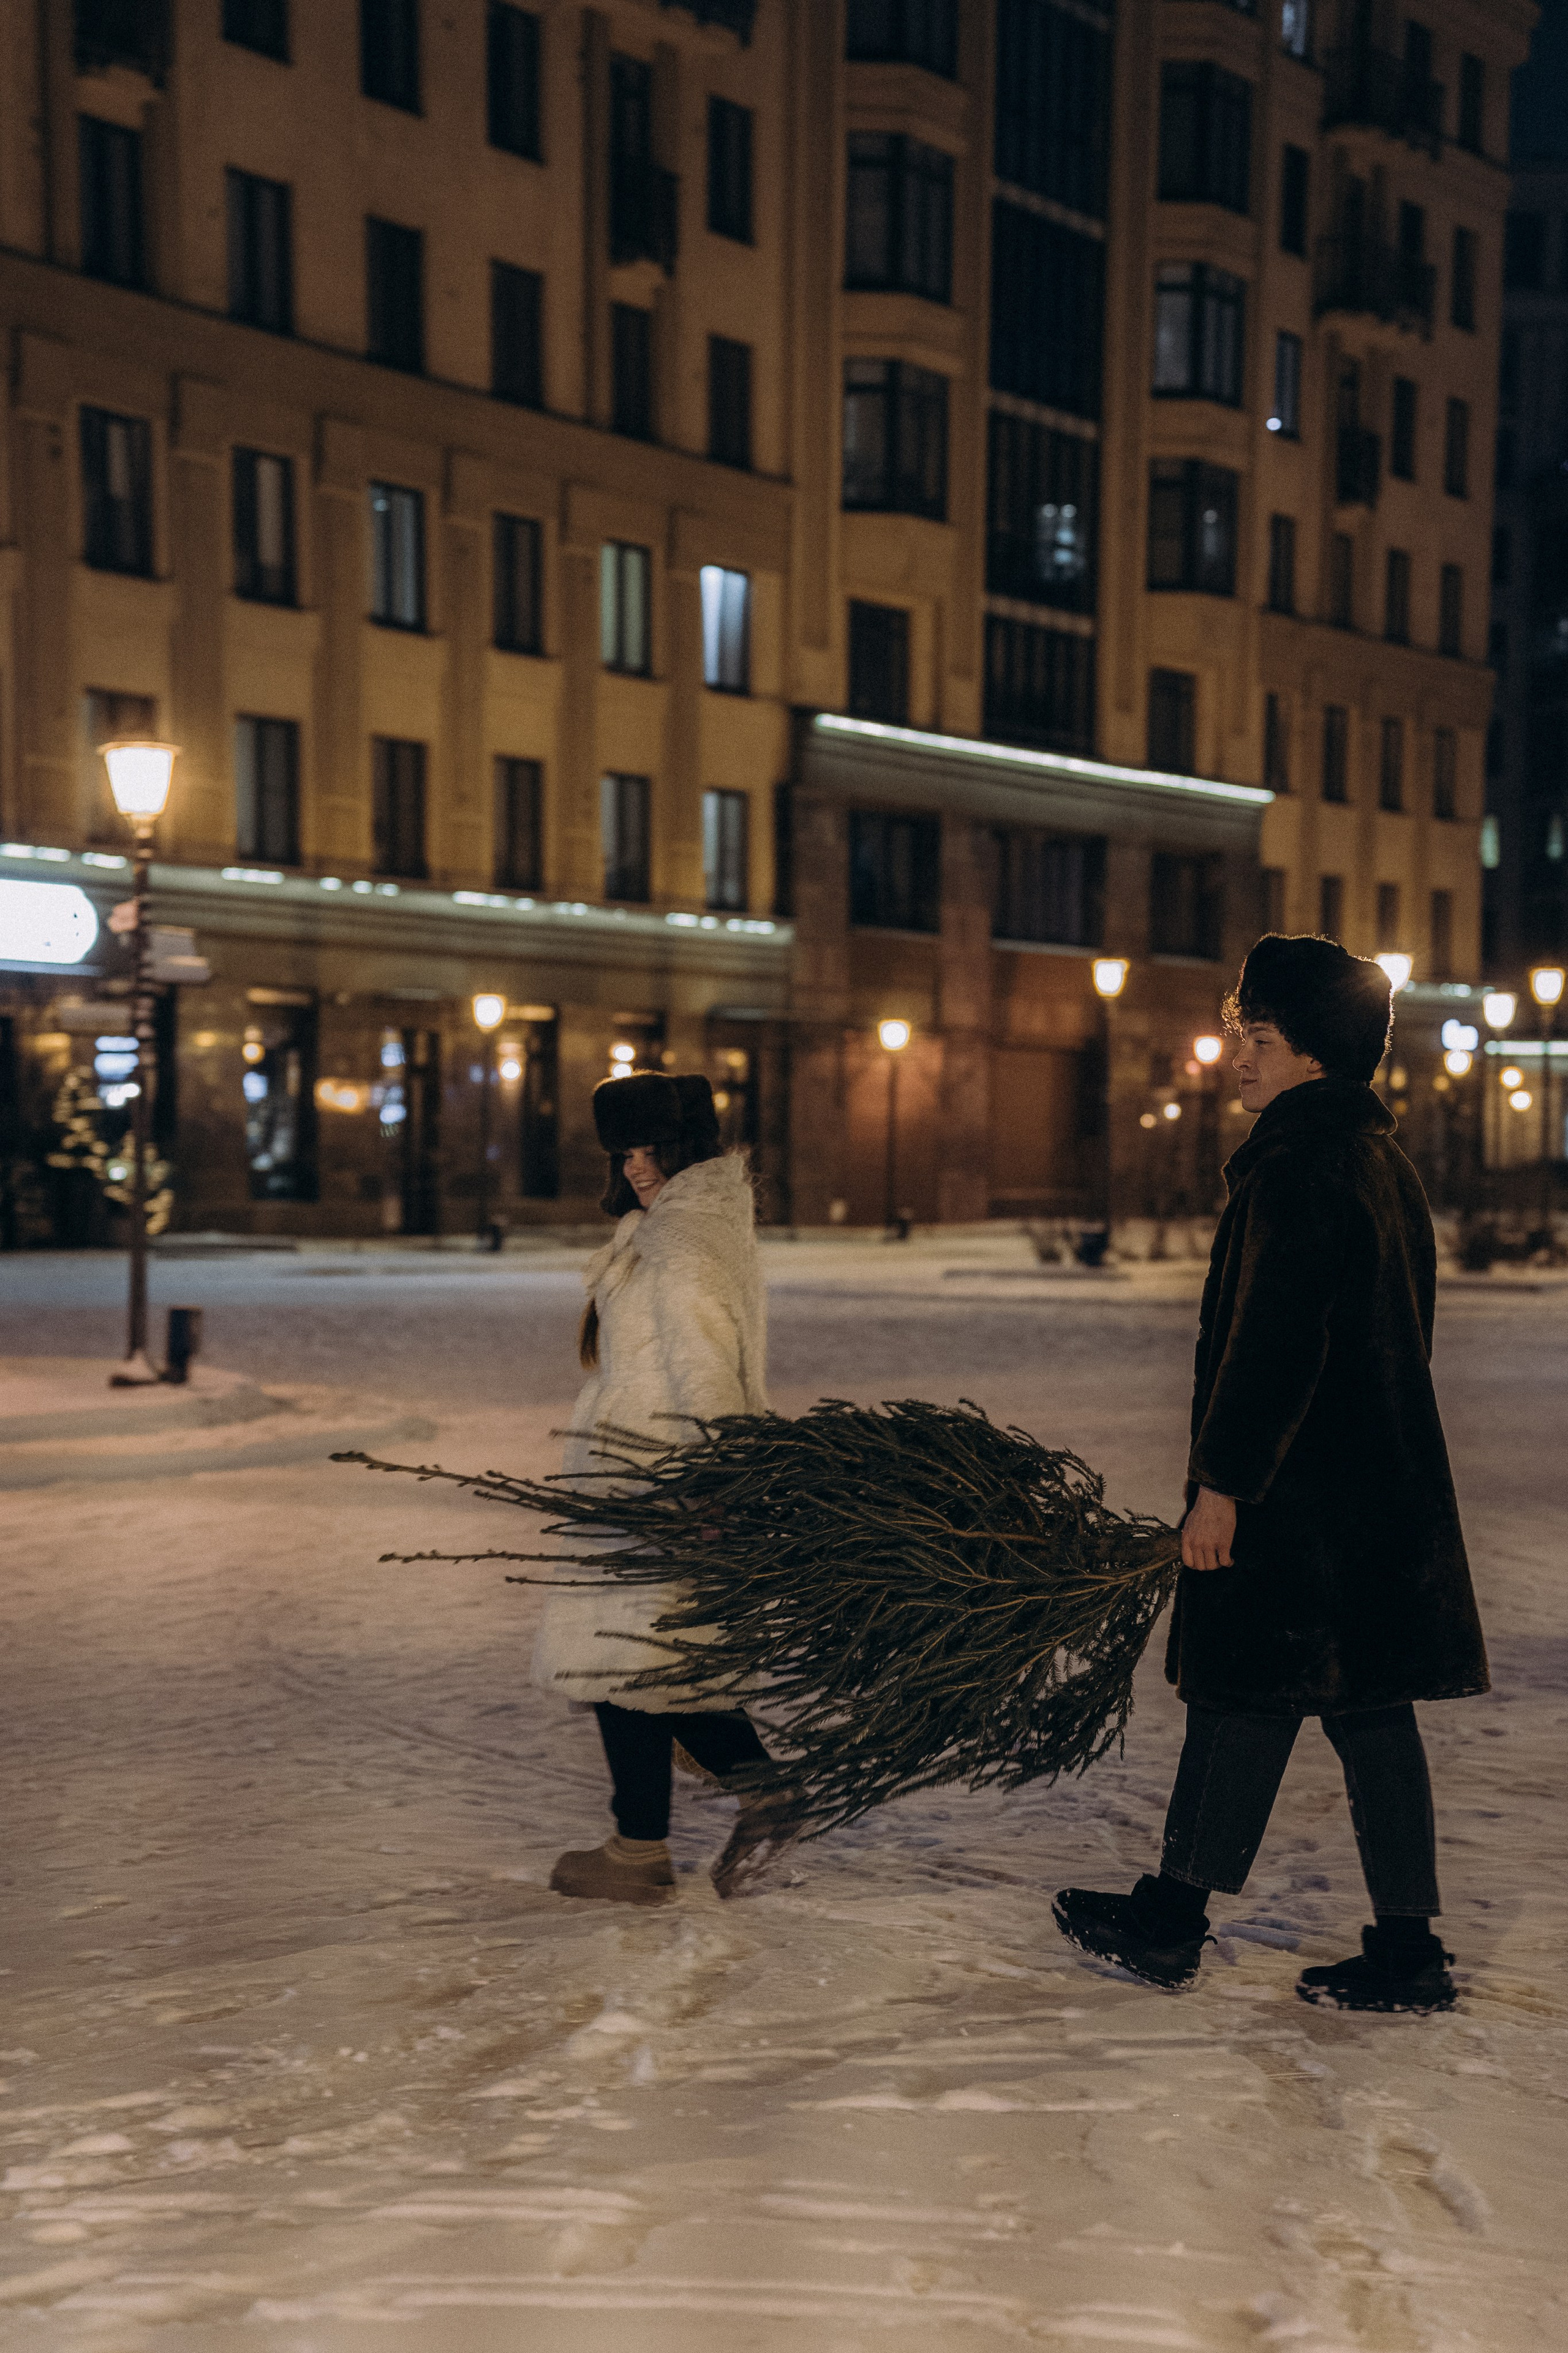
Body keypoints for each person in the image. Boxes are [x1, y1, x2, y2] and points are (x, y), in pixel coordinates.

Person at [1053, 934, 1489, 2012]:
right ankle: (1397, 1946)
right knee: (1364, 1713)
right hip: (1375, 1495)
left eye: (1253, 1037)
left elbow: (1276, 1343)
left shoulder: (1301, 1164)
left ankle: (1174, 1922)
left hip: (1302, 1501)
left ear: (1306, 1055)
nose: (1232, 1055)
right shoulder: (1380, 1160)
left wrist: (1225, 1483)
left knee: (1244, 1691)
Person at [532, 1068, 786, 1905]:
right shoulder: (681, 1224)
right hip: (652, 1475)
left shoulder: (681, 1238)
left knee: (627, 1662)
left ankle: (642, 1846)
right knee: (656, 1664)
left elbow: (707, 1364)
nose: (639, 1166)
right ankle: (756, 1796)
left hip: (659, 1479)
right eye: (626, 1150)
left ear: (689, 1146)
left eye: (654, 1148)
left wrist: (709, 1482)